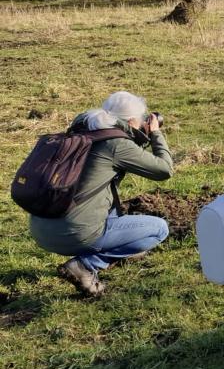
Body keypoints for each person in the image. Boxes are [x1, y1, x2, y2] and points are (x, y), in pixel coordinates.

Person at [29, 91, 173, 297]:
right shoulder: (115, 144)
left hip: (41, 230)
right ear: (132, 120)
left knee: (113, 211)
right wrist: (156, 133)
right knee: (159, 229)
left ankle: (113, 250)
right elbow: (164, 170)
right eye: (142, 119)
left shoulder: (80, 133)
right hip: (73, 233)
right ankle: (86, 265)